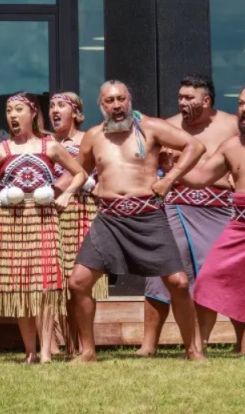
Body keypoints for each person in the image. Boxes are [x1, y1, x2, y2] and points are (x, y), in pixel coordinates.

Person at [66, 80, 206, 362]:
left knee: (178, 283)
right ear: (101, 105)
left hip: (148, 215)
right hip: (110, 218)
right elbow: (78, 172)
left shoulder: (150, 128)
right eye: (110, 101)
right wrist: (68, 187)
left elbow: (195, 145)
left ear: (129, 100)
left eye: (121, 99)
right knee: (78, 282)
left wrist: (168, 179)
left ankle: (193, 349)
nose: (117, 106)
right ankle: (88, 352)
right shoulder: (93, 136)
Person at [137, 75, 238, 357]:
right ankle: (148, 344)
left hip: (221, 209)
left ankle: (241, 343)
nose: (182, 102)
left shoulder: (231, 126)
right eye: (180, 97)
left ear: (206, 101)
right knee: (162, 271)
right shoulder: (168, 127)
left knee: (224, 273)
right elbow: (147, 163)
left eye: (188, 98)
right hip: (175, 205)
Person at [0, 92, 86, 363]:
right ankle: (30, 350)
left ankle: (45, 352)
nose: (13, 115)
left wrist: (65, 194)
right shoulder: (1, 149)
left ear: (32, 114)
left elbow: (79, 173)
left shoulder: (49, 145)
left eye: (19, 109)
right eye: (9, 110)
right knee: (19, 285)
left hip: (43, 219)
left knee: (45, 285)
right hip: (11, 221)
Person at [178, 86, 245, 355]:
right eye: (241, 104)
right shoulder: (232, 146)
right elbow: (200, 178)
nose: (244, 110)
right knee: (207, 280)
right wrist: (172, 171)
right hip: (238, 225)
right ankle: (199, 347)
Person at [49, 91, 106, 355]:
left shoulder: (88, 140)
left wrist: (94, 185)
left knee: (78, 279)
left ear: (76, 113)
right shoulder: (46, 143)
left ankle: (82, 342)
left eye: (61, 105)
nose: (54, 110)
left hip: (83, 210)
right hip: (52, 213)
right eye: (51, 106)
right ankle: (56, 342)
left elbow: (107, 170)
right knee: (54, 279)